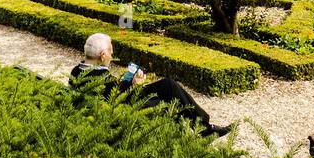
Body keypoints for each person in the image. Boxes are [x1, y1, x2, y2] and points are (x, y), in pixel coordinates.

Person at [70, 33, 229, 137]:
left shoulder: (76, 71)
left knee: (169, 85)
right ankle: (204, 128)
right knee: (169, 96)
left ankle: (202, 126)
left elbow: (113, 93)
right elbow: (120, 100)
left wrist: (129, 83)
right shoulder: (102, 77)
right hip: (125, 108)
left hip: (117, 100)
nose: (112, 55)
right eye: (111, 52)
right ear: (102, 55)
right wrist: (136, 85)